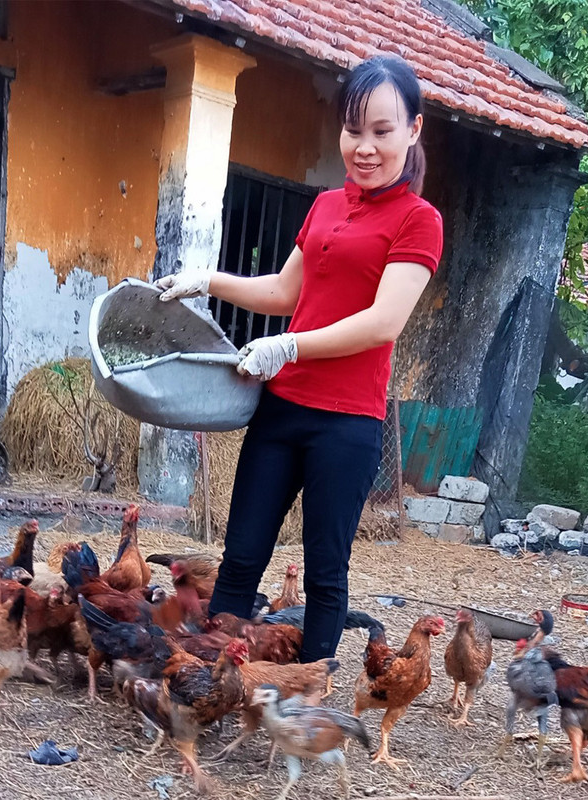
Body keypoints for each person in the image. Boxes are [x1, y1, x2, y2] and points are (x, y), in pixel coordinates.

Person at [155, 55, 443, 662]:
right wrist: (206, 280)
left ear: (413, 130)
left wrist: (288, 345)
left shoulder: (420, 221)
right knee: (242, 554)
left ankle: (306, 699)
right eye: (353, 129)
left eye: (381, 131)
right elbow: (286, 293)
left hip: (346, 425)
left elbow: (382, 322)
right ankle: (216, 680)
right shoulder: (326, 207)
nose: (364, 147)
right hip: (282, 408)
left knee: (323, 576)